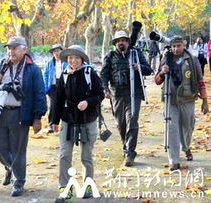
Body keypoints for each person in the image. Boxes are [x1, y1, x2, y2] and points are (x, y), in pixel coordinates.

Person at [0, 36, 47, 197]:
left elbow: (39, 93)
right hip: (0, 113)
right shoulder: (1, 65)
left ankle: (18, 181)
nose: (11, 51)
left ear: (24, 49)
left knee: (18, 150)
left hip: (20, 113)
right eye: (9, 48)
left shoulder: (32, 68)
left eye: (14, 48)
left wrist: (38, 117)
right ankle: (9, 168)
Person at [52, 45, 104, 203]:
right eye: (69, 58)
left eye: (76, 57)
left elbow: (100, 94)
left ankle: (88, 184)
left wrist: (88, 102)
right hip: (68, 119)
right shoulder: (64, 75)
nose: (72, 61)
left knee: (86, 155)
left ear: (82, 59)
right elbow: (58, 99)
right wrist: (54, 120)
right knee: (64, 155)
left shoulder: (90, 73)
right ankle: (65, 190)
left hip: (87, 119)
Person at [155, 36, 209, 171]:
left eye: (178, 46)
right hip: (171, 100)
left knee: (187, 127)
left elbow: (200, 81)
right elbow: (157, 80)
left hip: (188, 99)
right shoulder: (166, 59)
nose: (176, 48)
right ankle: (174, 160)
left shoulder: (192, 60)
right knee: (172, 128)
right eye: (173, 46)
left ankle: (186, 147)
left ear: (183, 45)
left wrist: (205, 101)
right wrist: (162, 72)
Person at [100, 31, 152, 167]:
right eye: (118, 41)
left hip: (134, 94)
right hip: (116, 94)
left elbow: (149, 70)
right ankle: (126, 146)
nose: (120, 43)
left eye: (123, 40)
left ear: (128, 42)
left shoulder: (136, 54)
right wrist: (105, 89)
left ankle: (130, 153)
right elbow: (103, 76)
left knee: (132, 121)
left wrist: (138, 67)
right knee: (121, 124)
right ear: (115, 43)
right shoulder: (110, 57)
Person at [43, 44, 67, 133]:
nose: (56, 53)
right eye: (54, 51)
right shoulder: (49, 63)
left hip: (64, 86)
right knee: (53, 105)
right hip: (52, 87)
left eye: (58, 51)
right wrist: (45, 88)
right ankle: (51, 124)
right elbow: (45, 75)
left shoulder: (66, 62)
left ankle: (64, 124)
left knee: (65, 105)